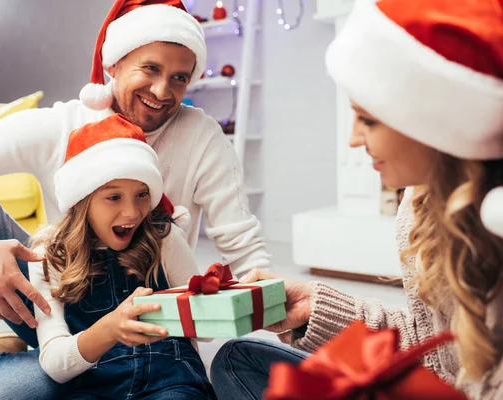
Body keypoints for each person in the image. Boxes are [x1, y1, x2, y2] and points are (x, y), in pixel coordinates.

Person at [0, 0, 270, 373]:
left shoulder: (201, 134)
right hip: (62, 312)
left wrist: (281, 306)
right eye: (150, 68)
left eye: (180, 77)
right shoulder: (59, 126)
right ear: (113, 64)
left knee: (17, 387)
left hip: (152, 326)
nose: (162, 90)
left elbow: (244, 249)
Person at [210, 0, 503, 399]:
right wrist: (314, 306)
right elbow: (430, 350)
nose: (353, 139)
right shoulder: (420, 205)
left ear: (433, 121)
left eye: (367, 119)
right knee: (236, 360)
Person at [0, 114, 217, 399]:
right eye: (114, 197)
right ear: (83, 199)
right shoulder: (50, 255)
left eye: (142, 194)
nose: (132, 212)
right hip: (92, 385)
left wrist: (224, 301)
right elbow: (55, 363)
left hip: (170, 381)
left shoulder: (164, 239)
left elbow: (206, 331)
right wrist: (110, 329)